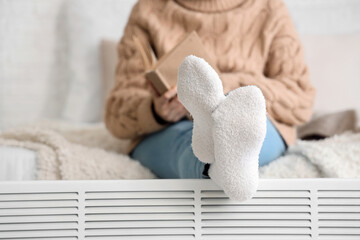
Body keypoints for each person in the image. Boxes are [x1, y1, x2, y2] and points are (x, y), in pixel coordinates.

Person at [105, 0, 315, 200]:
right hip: (172, 126)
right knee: (187, 144)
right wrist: (155, 111)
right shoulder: (147, 10)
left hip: (252, 117)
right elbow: (116, 113)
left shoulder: (270, 8)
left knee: (251, 126)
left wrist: (224, 87)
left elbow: (300, 96)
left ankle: (218, 156)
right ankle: (226, 162)